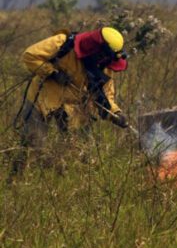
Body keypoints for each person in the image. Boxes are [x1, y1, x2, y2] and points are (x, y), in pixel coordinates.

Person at [12, 27, 130, 176]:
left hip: (71, 108)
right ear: (97, 49)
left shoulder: (104, 68)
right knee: (33, 146)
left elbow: (106, 96)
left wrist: (116, 113)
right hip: (41, 99)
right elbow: (30, 55)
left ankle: (59, 179)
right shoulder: (62, 43)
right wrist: (53, 73)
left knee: (74, 151)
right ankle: (16, 179)